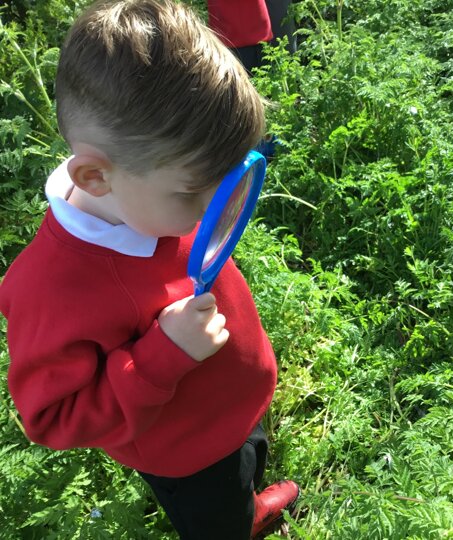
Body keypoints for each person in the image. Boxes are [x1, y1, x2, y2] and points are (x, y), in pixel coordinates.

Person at [0, 1, 299, 538]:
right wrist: (162, 357)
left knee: (248, 459)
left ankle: (248, 495)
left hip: (232, 404)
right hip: (189, 455)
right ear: (95, 177)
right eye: (193, 193)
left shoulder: (149, 192)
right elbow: (52, 419)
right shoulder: (50, 288)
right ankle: (243, 522)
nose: (213, 210)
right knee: (219, 520)